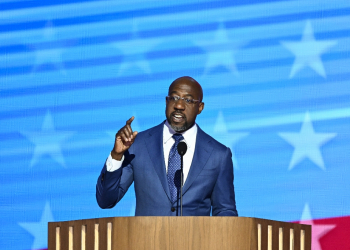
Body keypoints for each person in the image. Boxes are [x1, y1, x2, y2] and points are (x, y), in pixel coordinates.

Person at [96, 76, 238, 216]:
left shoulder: (218, 155)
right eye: (174, 98)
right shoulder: (138, 145)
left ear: (200, 107)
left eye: (188, 100)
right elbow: (106, 201)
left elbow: (225, 211)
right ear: (166, 101)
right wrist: (116, 155)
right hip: (146, 238)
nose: (179, 106)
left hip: (195, 239)